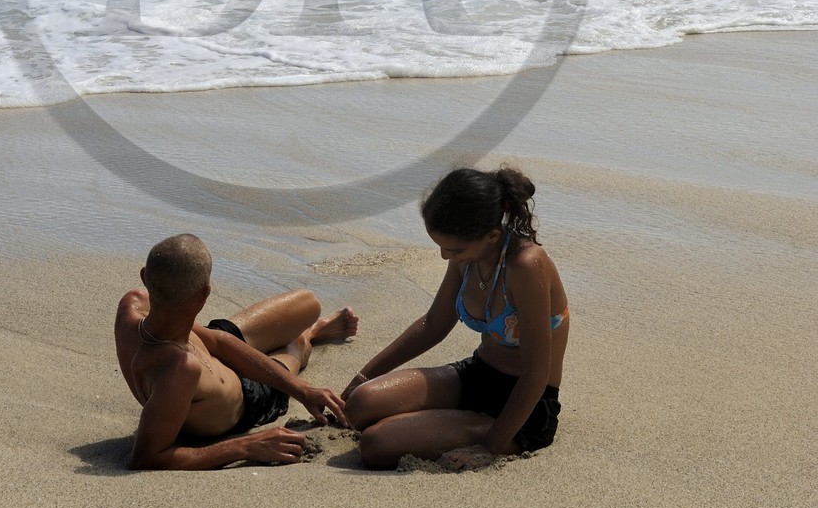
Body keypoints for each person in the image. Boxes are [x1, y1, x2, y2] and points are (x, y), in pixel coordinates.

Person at [343, 165, 568, 470]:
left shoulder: (526, 265)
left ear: (491, 235)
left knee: (375, 443)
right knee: (359, 404)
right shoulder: (468, 256)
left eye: (453, 249)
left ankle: (466, 429)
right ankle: (438, 423)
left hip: (525, 404)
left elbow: (536, 374)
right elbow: (432, 325)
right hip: (476, 374)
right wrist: (360, 379)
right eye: (441, 247)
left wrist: (489, 448)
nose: (445, 256)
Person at [116, 232, 358, 470]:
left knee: (307, 303)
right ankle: (312, 333)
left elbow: (218, 342)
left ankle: (310, 325)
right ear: (204, 294)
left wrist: (303, 390)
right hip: (249, 398)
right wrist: (246, 446)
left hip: (204, 338)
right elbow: (147, 457)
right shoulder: (178, 369)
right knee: (298, 343)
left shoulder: (134, 303)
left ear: (144, 277)